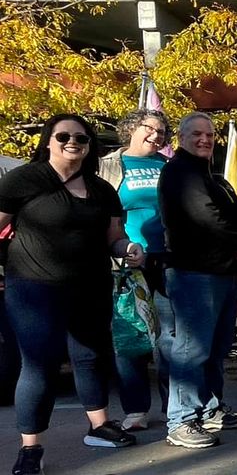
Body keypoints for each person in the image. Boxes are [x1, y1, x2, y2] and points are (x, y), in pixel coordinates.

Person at [0, 114, 143, 473]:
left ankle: (98, 426)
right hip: (34, 289)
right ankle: (31, 448)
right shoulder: (25, 180)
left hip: (90, 287)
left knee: (91, 357)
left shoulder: (101, 190)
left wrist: (129, 248)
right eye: (63, 136)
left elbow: (114, 239)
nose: (72, 142)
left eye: (81, 137)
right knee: (39, 366)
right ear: (49, 140)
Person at [159, 112, 237, 449]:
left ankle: (210, 409)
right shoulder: (179, 172)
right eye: (196, 134)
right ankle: (181, 420)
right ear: (181, 138)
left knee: (216, 349)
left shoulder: (208, 175)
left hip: (222, 272)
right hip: (194, 274)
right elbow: (206, 216)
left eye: (209, 134)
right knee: (191, 349)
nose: (204, 139)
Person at [97, 109, 176, 431]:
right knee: (130, 337)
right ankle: (136, 410)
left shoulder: (170, 166)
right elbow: (99, 214)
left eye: (162, 132)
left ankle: (176, 408)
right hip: (125, 265)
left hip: (168, 259)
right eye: (150, 128)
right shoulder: (108, 166)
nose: (156, 136)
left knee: (170, 338)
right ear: (131, 128)